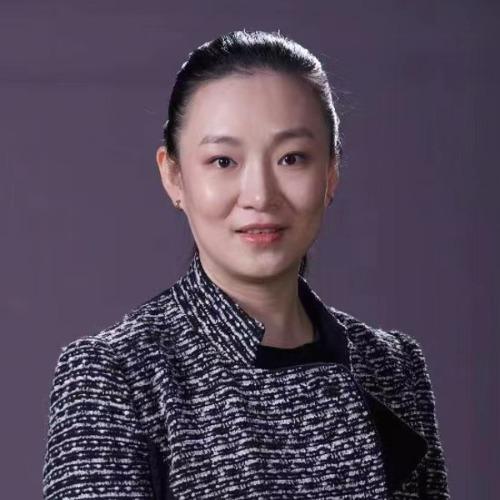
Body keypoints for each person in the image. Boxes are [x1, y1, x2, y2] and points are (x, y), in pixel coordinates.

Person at [42, 29, 450, 499]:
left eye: (291, 158)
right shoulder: (116, 373)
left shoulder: (393, 366)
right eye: (223, 161)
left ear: (331, 172)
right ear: (173, 175)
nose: (259, 195)